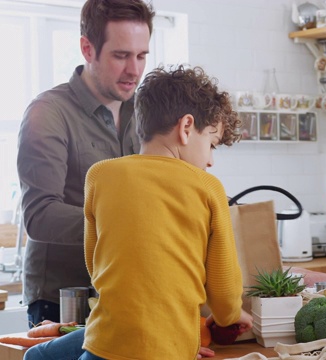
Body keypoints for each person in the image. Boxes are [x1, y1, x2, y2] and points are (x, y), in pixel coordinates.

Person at [25, 65, 252, 359]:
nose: (210, 160)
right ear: (186, 128)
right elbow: (223, 291)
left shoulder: (100, 175)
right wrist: (231, 315)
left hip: (106, 339)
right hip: (168, 347)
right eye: (211, 144)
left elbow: (96, 263)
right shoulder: (208, 188)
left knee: (37, 356)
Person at [17, 0, 154, 326]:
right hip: (61, 301)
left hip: (128, 292)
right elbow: (40, 216)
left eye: (141, 55)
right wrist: (125, 225)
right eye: (121, 55)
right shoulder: (48, 113)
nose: (134, 70)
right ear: (87, 49)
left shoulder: (146, 113)